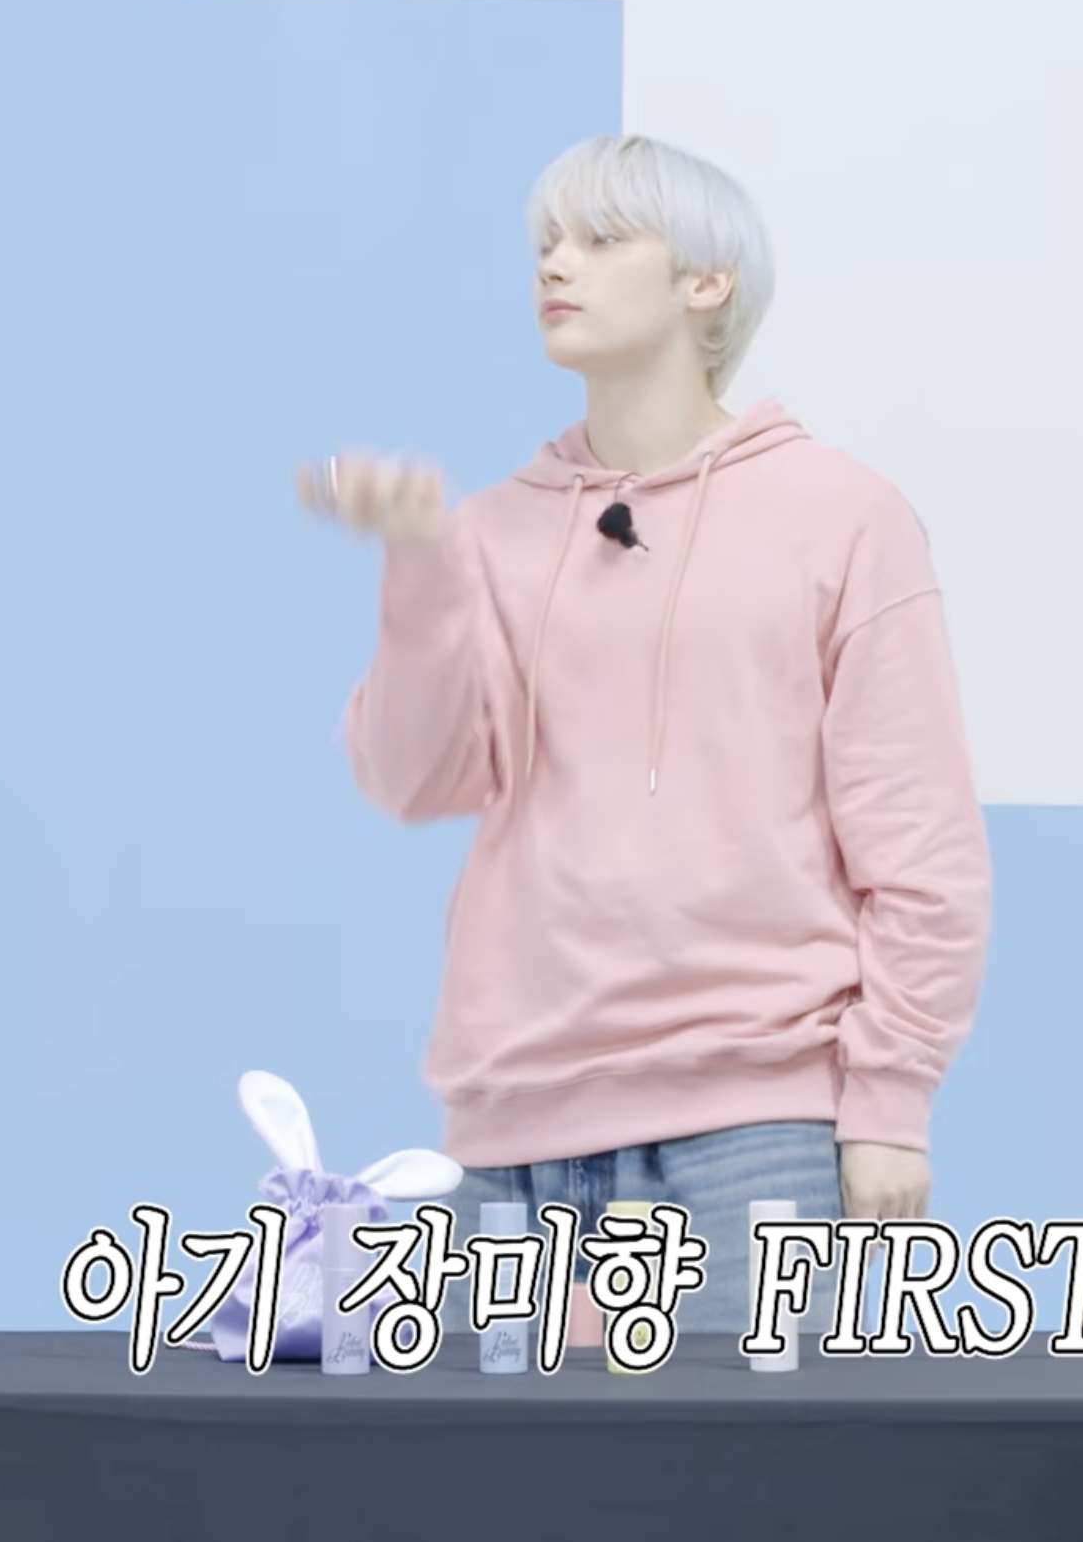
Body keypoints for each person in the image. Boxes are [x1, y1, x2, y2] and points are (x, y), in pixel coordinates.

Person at [295, 133, 990, 1348]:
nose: (554, 264)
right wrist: (416, 572)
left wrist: (889, 1102)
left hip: (752, 1136)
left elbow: (920, 848)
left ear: (705, 282)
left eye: (602, 238)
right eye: (545, 242)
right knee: (489, 1468)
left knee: (740, 1467)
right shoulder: (489, 530)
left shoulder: (844, 517)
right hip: (507, 1133)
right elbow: (412, 779)